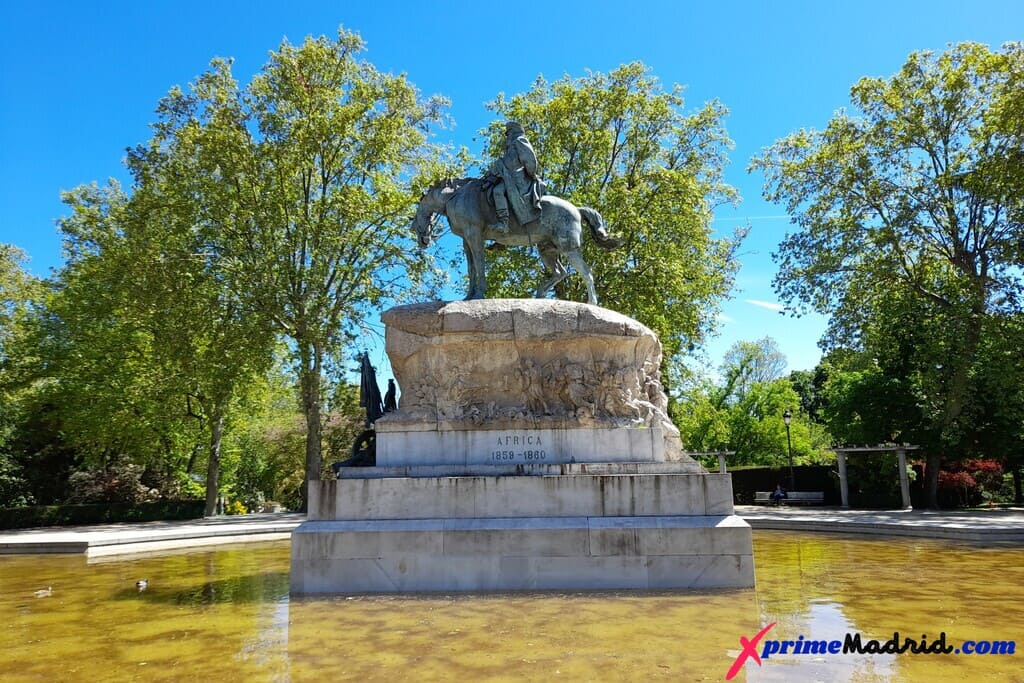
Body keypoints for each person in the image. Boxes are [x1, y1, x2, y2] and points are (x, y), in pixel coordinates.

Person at [483, 121, 545, 232]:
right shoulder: (510, 147)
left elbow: (529, 159)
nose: (507, 136)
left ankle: (504, 223)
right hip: (508, 179)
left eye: (508, 133)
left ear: (513, 132)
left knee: (497, 191)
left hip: (518, 180)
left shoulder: (519, 141)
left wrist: (531, 174)